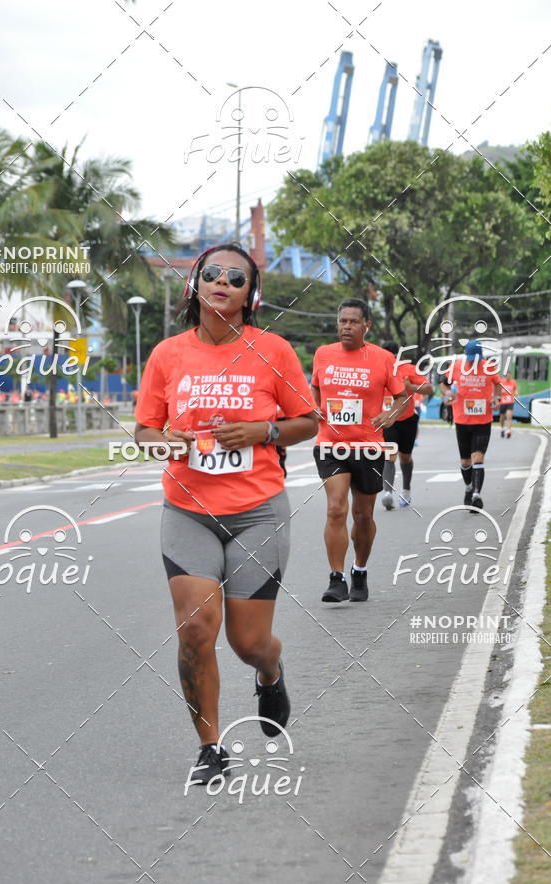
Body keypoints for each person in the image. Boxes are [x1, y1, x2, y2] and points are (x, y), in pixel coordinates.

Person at [134, 243, 318, 784]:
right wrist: (165, 441)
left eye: (235, 279)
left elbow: (307, 421)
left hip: (257, 512)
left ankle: (269, 671)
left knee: (248, 642)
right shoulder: (168, 354)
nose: (222, 283)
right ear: (196, 284)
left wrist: (263, 431)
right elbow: (145, 429)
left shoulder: (274, 350)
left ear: (249, 295)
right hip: (187, 510)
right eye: (212, 274)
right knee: (196, 630)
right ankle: (210, 747)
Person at [311, 299, 408, 604]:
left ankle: (359, 570)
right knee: (336, 509)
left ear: (367, 325)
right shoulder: (323, 354)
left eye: (354, 321)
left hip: (368, 446)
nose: (347, 327)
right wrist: (315, 407)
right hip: (330, 444)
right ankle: (336, 578)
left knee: (363, 516)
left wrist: (389, 415)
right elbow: (315, 387)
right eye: (343, 321)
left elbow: (401, 397)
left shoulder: (382, 358)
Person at [440, 340, 502, 510]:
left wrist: (496, 399)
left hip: (483, 420)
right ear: (465, 355)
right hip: (462, 420)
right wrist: (447, 394)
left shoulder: (488, 367)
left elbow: (498, 384)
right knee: (466, 461)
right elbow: (443, 383)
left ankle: (476, 495)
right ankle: (468, 487)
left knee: (478, 458)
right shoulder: (456, 367)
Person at [380, 341, 434, 509]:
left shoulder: (408, 369)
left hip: (408, 419)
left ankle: (406, 491)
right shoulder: (378, 370)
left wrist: (411, 386)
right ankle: (387, 493)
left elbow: (430, 389)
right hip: (389, 419)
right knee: (390, 455)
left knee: (405, 457)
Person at [496, 373, 517, 438]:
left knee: (509, 416)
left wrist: (516, 393)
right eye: (507, 376)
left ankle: (508, 431)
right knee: (502, 418)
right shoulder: (502, 382)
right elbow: (497, 391)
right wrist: (502, 392)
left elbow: (515, 390)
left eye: (509, 376)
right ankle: (502, 429)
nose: (508, 377)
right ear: (505, 376)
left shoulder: (513, 382)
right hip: (502, 402)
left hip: (510, 402)